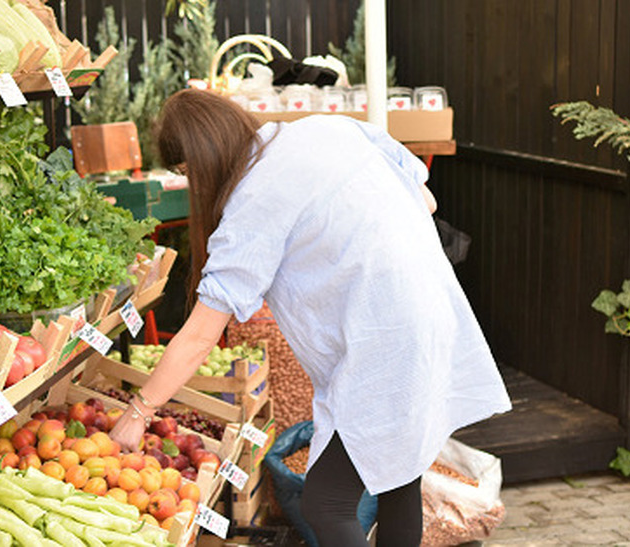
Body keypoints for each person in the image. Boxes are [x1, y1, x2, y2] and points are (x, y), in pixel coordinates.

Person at [110, 88, 512, 546]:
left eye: (187, 174)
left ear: (201, 161)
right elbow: (426, 199)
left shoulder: (252, 203)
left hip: (384, 342)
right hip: (432, 310)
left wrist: (139, 412)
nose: (195, 187)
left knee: (327, 503)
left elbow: (201, 334)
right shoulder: (328, 127)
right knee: (399, 479)